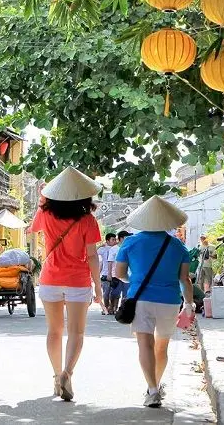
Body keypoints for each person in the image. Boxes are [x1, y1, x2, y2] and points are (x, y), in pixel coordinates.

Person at [29, 166, 103, 402]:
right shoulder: (88, 221)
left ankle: (55, 376)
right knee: (76, 332)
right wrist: (98, 288)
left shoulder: (47, 214)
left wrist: (43, 199)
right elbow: (92, 255)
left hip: (50, 278)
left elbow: (35, 227)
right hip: (78, 281)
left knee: (54, 330)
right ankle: (67, 374)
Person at [116, 196, 194, 408]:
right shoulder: (178, 246)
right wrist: (189, 303)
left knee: (145, 345)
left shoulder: (130, 242)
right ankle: (156, 386)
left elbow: (119, 273)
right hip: (169, 301)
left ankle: (152, 390)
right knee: (162, 347)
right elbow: (185, 279)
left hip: (140, 299)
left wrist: (137, 279)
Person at [97, 233, 118, 315]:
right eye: (113, 239)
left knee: (114, 294)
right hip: (105, 274)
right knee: (106, 294)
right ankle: (105, 308)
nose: (114, 241)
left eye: (115, 239)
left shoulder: (117, 248)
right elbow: (93, 252)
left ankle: (112, 308)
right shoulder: (103, 249)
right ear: (107, 240)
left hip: (115, 274)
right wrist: (101, 245)